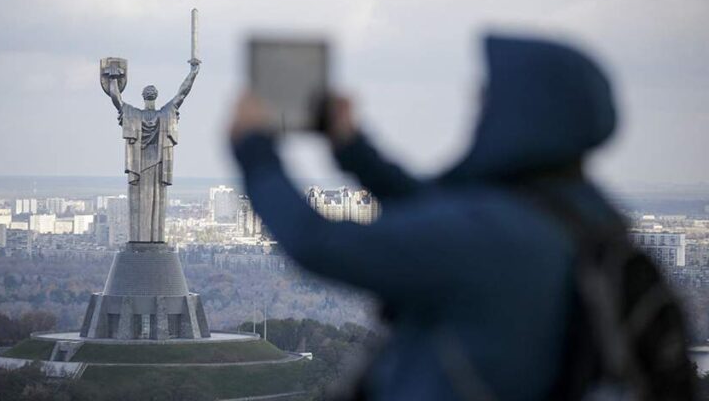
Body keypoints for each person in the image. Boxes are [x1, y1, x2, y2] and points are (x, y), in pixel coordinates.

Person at [229, 35, 690, 400]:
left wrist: (255, 150)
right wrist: (352, 148)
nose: (477, 107)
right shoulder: (577, 213)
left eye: (489, 98)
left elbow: (317, 242)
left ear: (524, 117)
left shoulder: (494, 234)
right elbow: (439, 213)